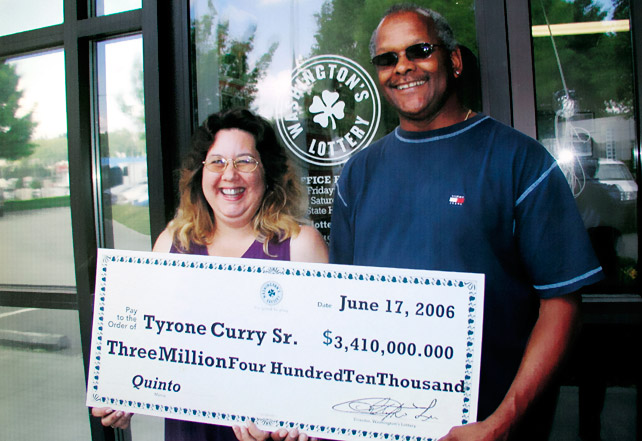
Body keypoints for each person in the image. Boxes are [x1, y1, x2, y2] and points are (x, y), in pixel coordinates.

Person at [328, 4, 603, 441]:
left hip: (485, 430)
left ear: (453, 61)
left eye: (419, 50)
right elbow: (337, 305)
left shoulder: (520, 161)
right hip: (375, 423)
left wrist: (503, 421)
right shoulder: (358, 173)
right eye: (387, 58)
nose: (403, 67)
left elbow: (562, 305)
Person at [93, 108, 328, 441]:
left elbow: (324, 361)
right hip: (190, 431)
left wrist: (304, 415)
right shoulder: (173, 244)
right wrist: (123, 392)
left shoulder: (301, 247)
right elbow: (148, 344)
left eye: (245, 161)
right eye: (216, 162)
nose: (230, 175)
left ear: (269, 172)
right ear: (199, 174)